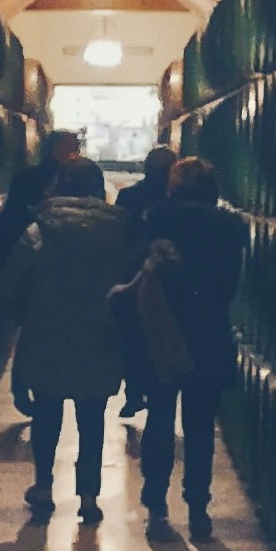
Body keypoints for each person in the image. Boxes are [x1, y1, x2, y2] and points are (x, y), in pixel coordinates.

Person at [0, 176, 127, 522]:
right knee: (92, 419)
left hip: (46, 335)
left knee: (47, 415)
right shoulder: (118, 233)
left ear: (55, 189)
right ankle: (88, 496)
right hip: (100, 337)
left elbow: (11, 287)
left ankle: (43, 487)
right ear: (97, 191)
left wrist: (26, 317)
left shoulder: (37, 232)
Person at [135, 153, 244, 543]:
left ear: (174, 186)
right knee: (200, 428)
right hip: (210, 332)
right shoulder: (232, 226)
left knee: (160, 420)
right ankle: (199, 511)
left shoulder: (156, 219)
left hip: (164, 333)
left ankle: (156, 509)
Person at [113, 141, 174, 420]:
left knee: (132, 337)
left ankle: (134, 393)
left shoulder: (129, 197)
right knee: (157, 338)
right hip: (166, 278)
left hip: (130, 274)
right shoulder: (175, 202)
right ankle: (153, 392)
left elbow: (119, 236)